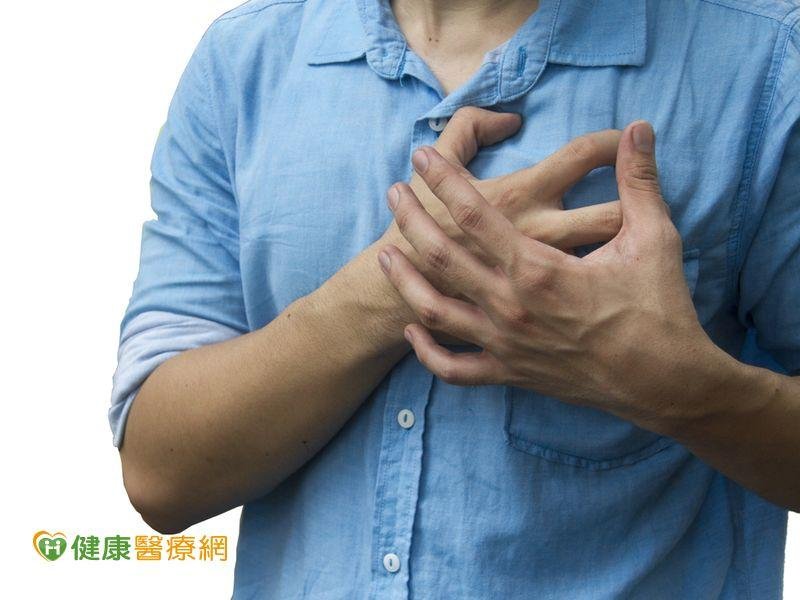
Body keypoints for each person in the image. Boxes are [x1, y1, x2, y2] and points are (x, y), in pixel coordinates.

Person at [109, 0, 800, 597]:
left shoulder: (767, 61)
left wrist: (674, 389)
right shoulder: (243, 62)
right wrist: (398, 283)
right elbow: (160, 475)